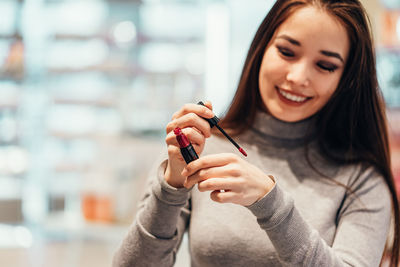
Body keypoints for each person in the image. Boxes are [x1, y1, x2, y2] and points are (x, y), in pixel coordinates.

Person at [113, 0, 400, 266]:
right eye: (287, 52)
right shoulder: (201, 149)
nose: (298, 77)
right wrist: (172, 186)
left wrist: (271, 203)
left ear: (345, 79)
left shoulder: (363, 180)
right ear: (261, 49)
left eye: (325, 65)